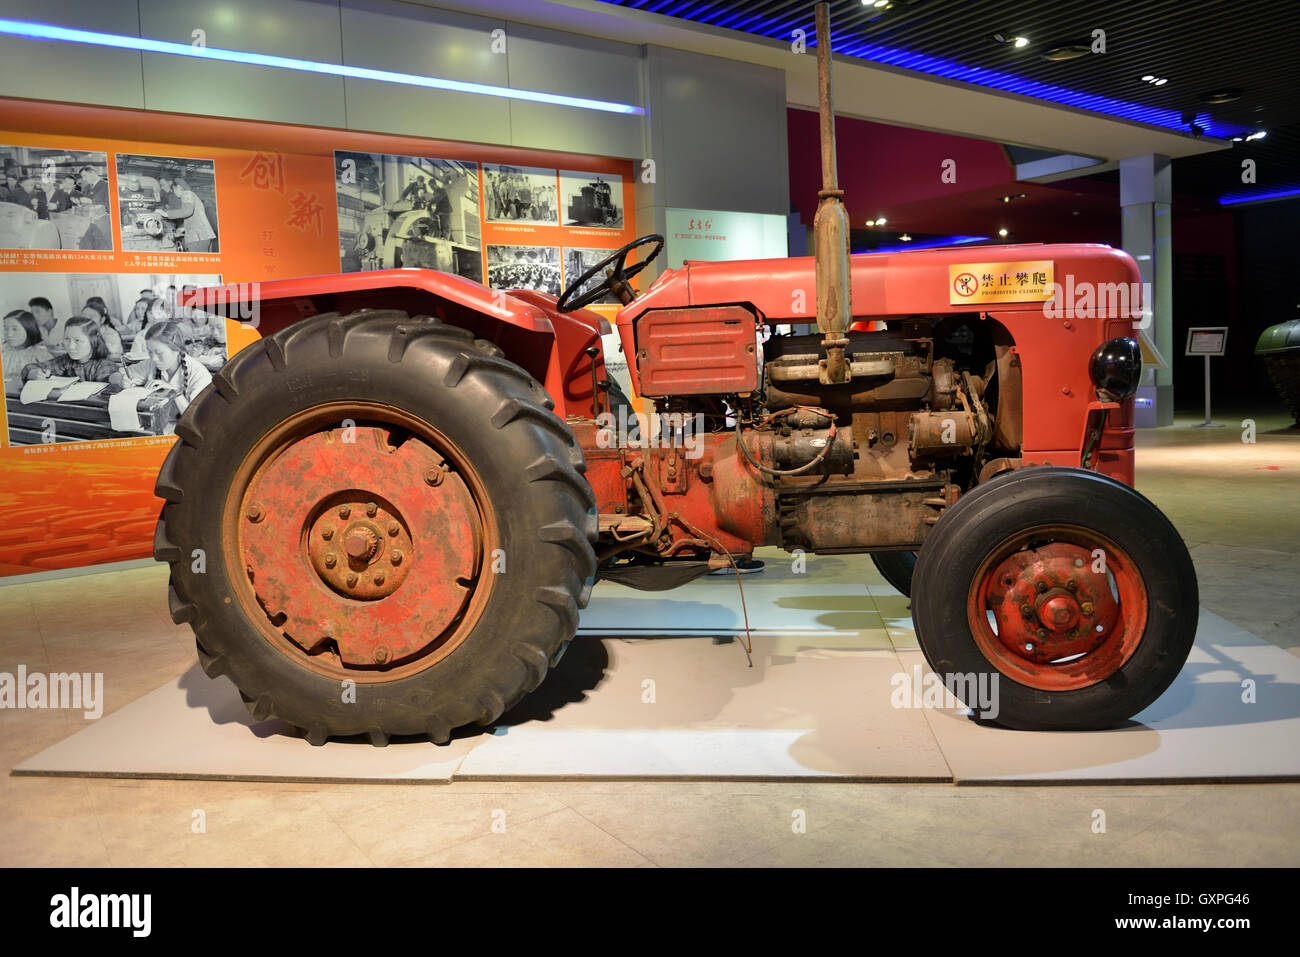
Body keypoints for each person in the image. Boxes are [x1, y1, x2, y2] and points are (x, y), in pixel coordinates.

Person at [118, 321, 212, 417]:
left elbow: (196, 419)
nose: (154, 358)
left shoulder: (199, 375)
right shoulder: (151, 364)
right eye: (150, 352)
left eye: (159, 353)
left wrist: (174, 392)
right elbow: (118, 373)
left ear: (177, 350)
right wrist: (122, 380)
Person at [21, 316, 120, 384]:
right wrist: (33, 372)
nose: (71, 346)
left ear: (93, 341)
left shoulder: (104, 365)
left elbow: (110, 381)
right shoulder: (65, 361)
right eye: (67, 339)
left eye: (77, 340)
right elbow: (30, 367)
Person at [2, 309, 53, 383]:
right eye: (6, 329)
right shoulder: (3, 351)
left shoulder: (40, 354)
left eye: (15, 329)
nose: (9, 334)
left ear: (28, 329)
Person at [169, 176, 216, 252]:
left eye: (174, 189)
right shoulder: (191, 195)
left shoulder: (187, 194)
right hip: (202, 236)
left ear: (178, 187)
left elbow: (188, 211)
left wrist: (166, 214)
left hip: (197, 238)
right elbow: (196, 217)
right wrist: (184, 228)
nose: (174, 192)